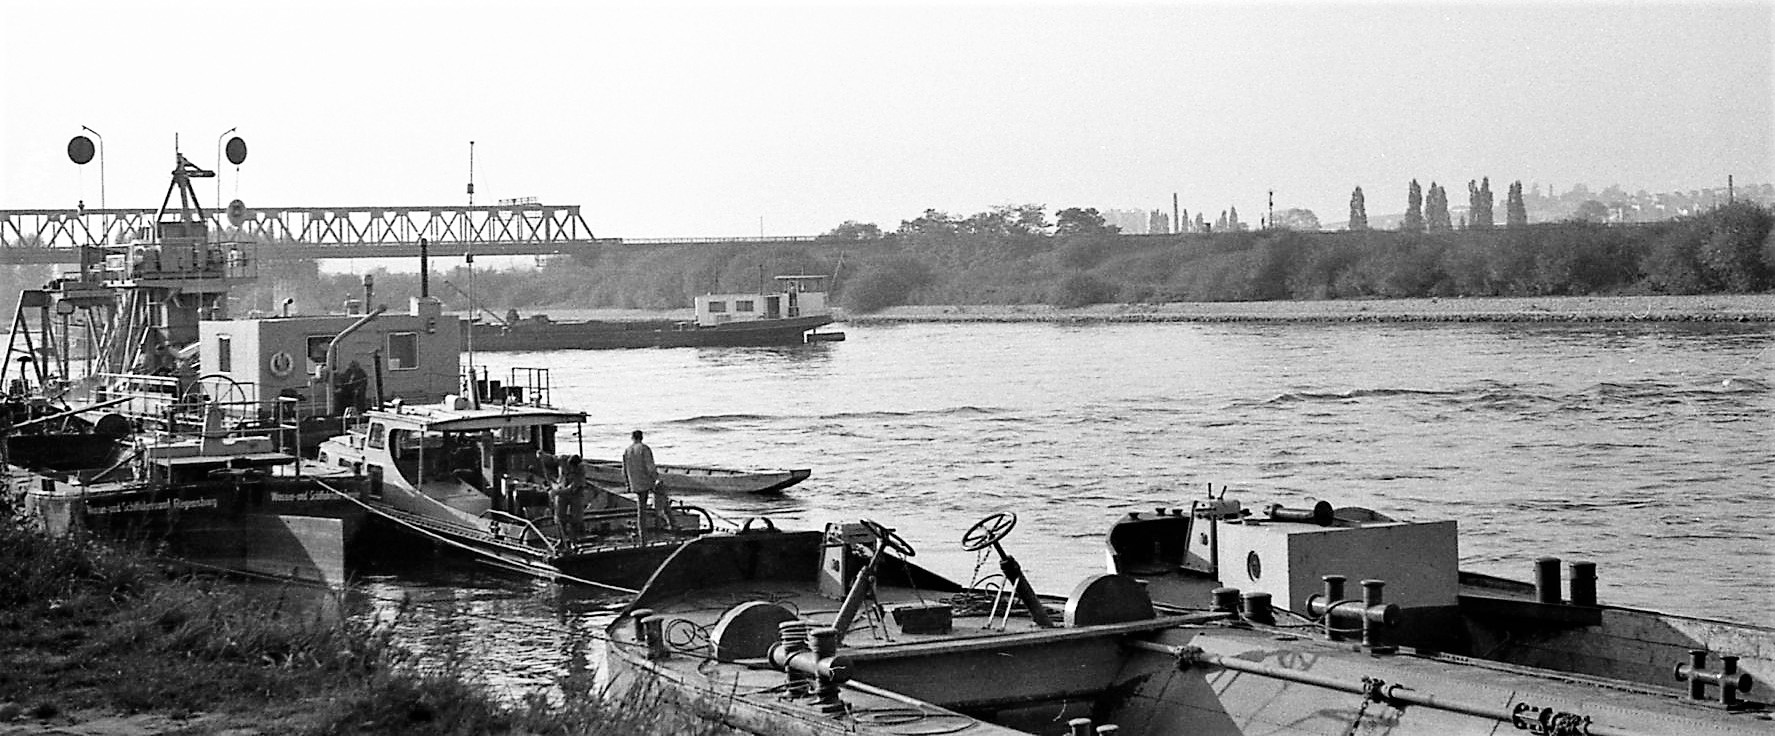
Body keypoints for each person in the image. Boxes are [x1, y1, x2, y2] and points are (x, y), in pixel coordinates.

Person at [622, 429, 675, 530]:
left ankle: (643, 530)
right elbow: (650, 467)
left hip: (635, 483)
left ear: (632, 438)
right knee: (661, 497)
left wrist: (628, 484)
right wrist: (656, 479)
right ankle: (670, 524)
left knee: (641, 507)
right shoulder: (644, 448)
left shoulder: (627, 450)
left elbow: (624, 470)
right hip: (646, 481)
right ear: (642, 437)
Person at [553, 454, 587, 539]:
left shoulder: (581, 472)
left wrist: (556, 492)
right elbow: (551, 459)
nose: (572, 470)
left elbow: (572, 489)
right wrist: (542, 455)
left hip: (575, 494)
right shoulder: (563, 460)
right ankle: (561, 538)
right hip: (562, 491)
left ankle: (574, 539)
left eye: (574, 468)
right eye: (571, 467)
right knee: (559, 516)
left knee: (576, 518)